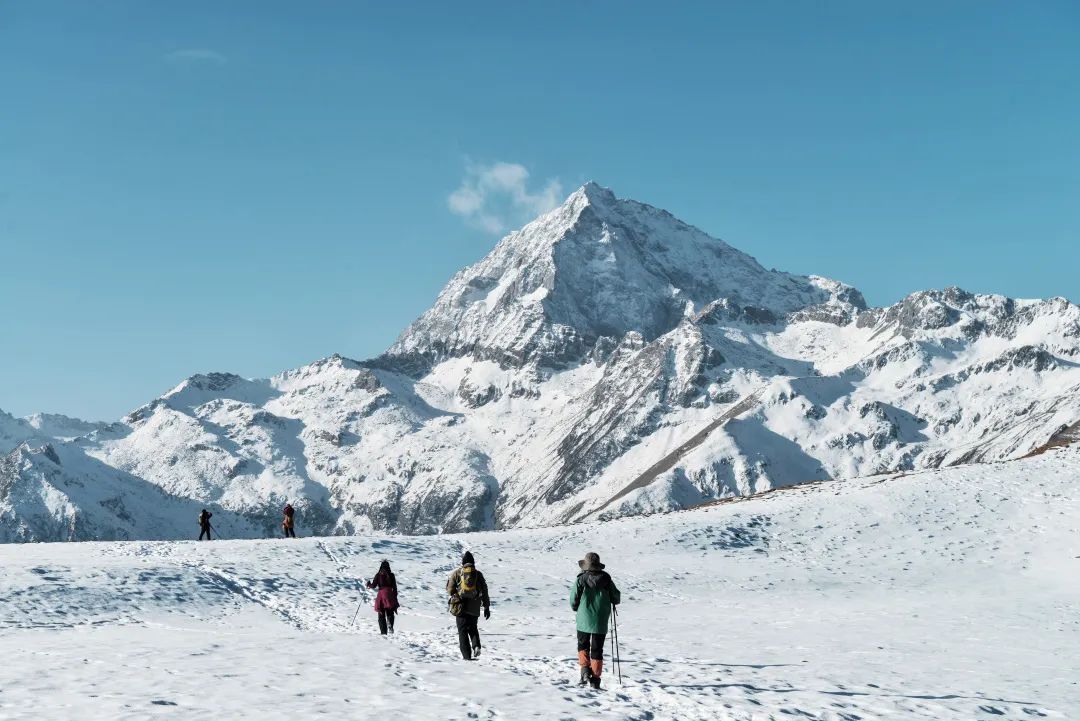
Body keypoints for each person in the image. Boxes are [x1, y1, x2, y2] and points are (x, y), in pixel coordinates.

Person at [570, 552, 620, 689]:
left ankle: (585, 671)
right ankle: (595, 679)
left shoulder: (580, 579)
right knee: (597, 649)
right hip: (600, 619)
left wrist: (576, 608)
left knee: (583, 645)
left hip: (583, 618)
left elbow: (573, 598)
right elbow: (616, 597)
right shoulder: (606, 579)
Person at [446, 551, 490, 660]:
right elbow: (485, 591)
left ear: (463, 562)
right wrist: (486, 607)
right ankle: (476, 646)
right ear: (473, 562)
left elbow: (450, 589)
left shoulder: (457, 573)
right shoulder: (478, 574)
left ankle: (467, 657)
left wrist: (456, 595)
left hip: (460, 608)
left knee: (462, 632)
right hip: (474, 609)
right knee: (473, 628)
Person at [366, 560, 399, 634]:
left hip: (381, 595)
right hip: (390, 594)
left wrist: (368, 584)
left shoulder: (378, 574)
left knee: (381, 614)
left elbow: (373, 585)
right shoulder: (391, 575)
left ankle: (383, 633)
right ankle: (390, 624)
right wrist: (394, 597)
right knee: (390, 612)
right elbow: (395, 587)